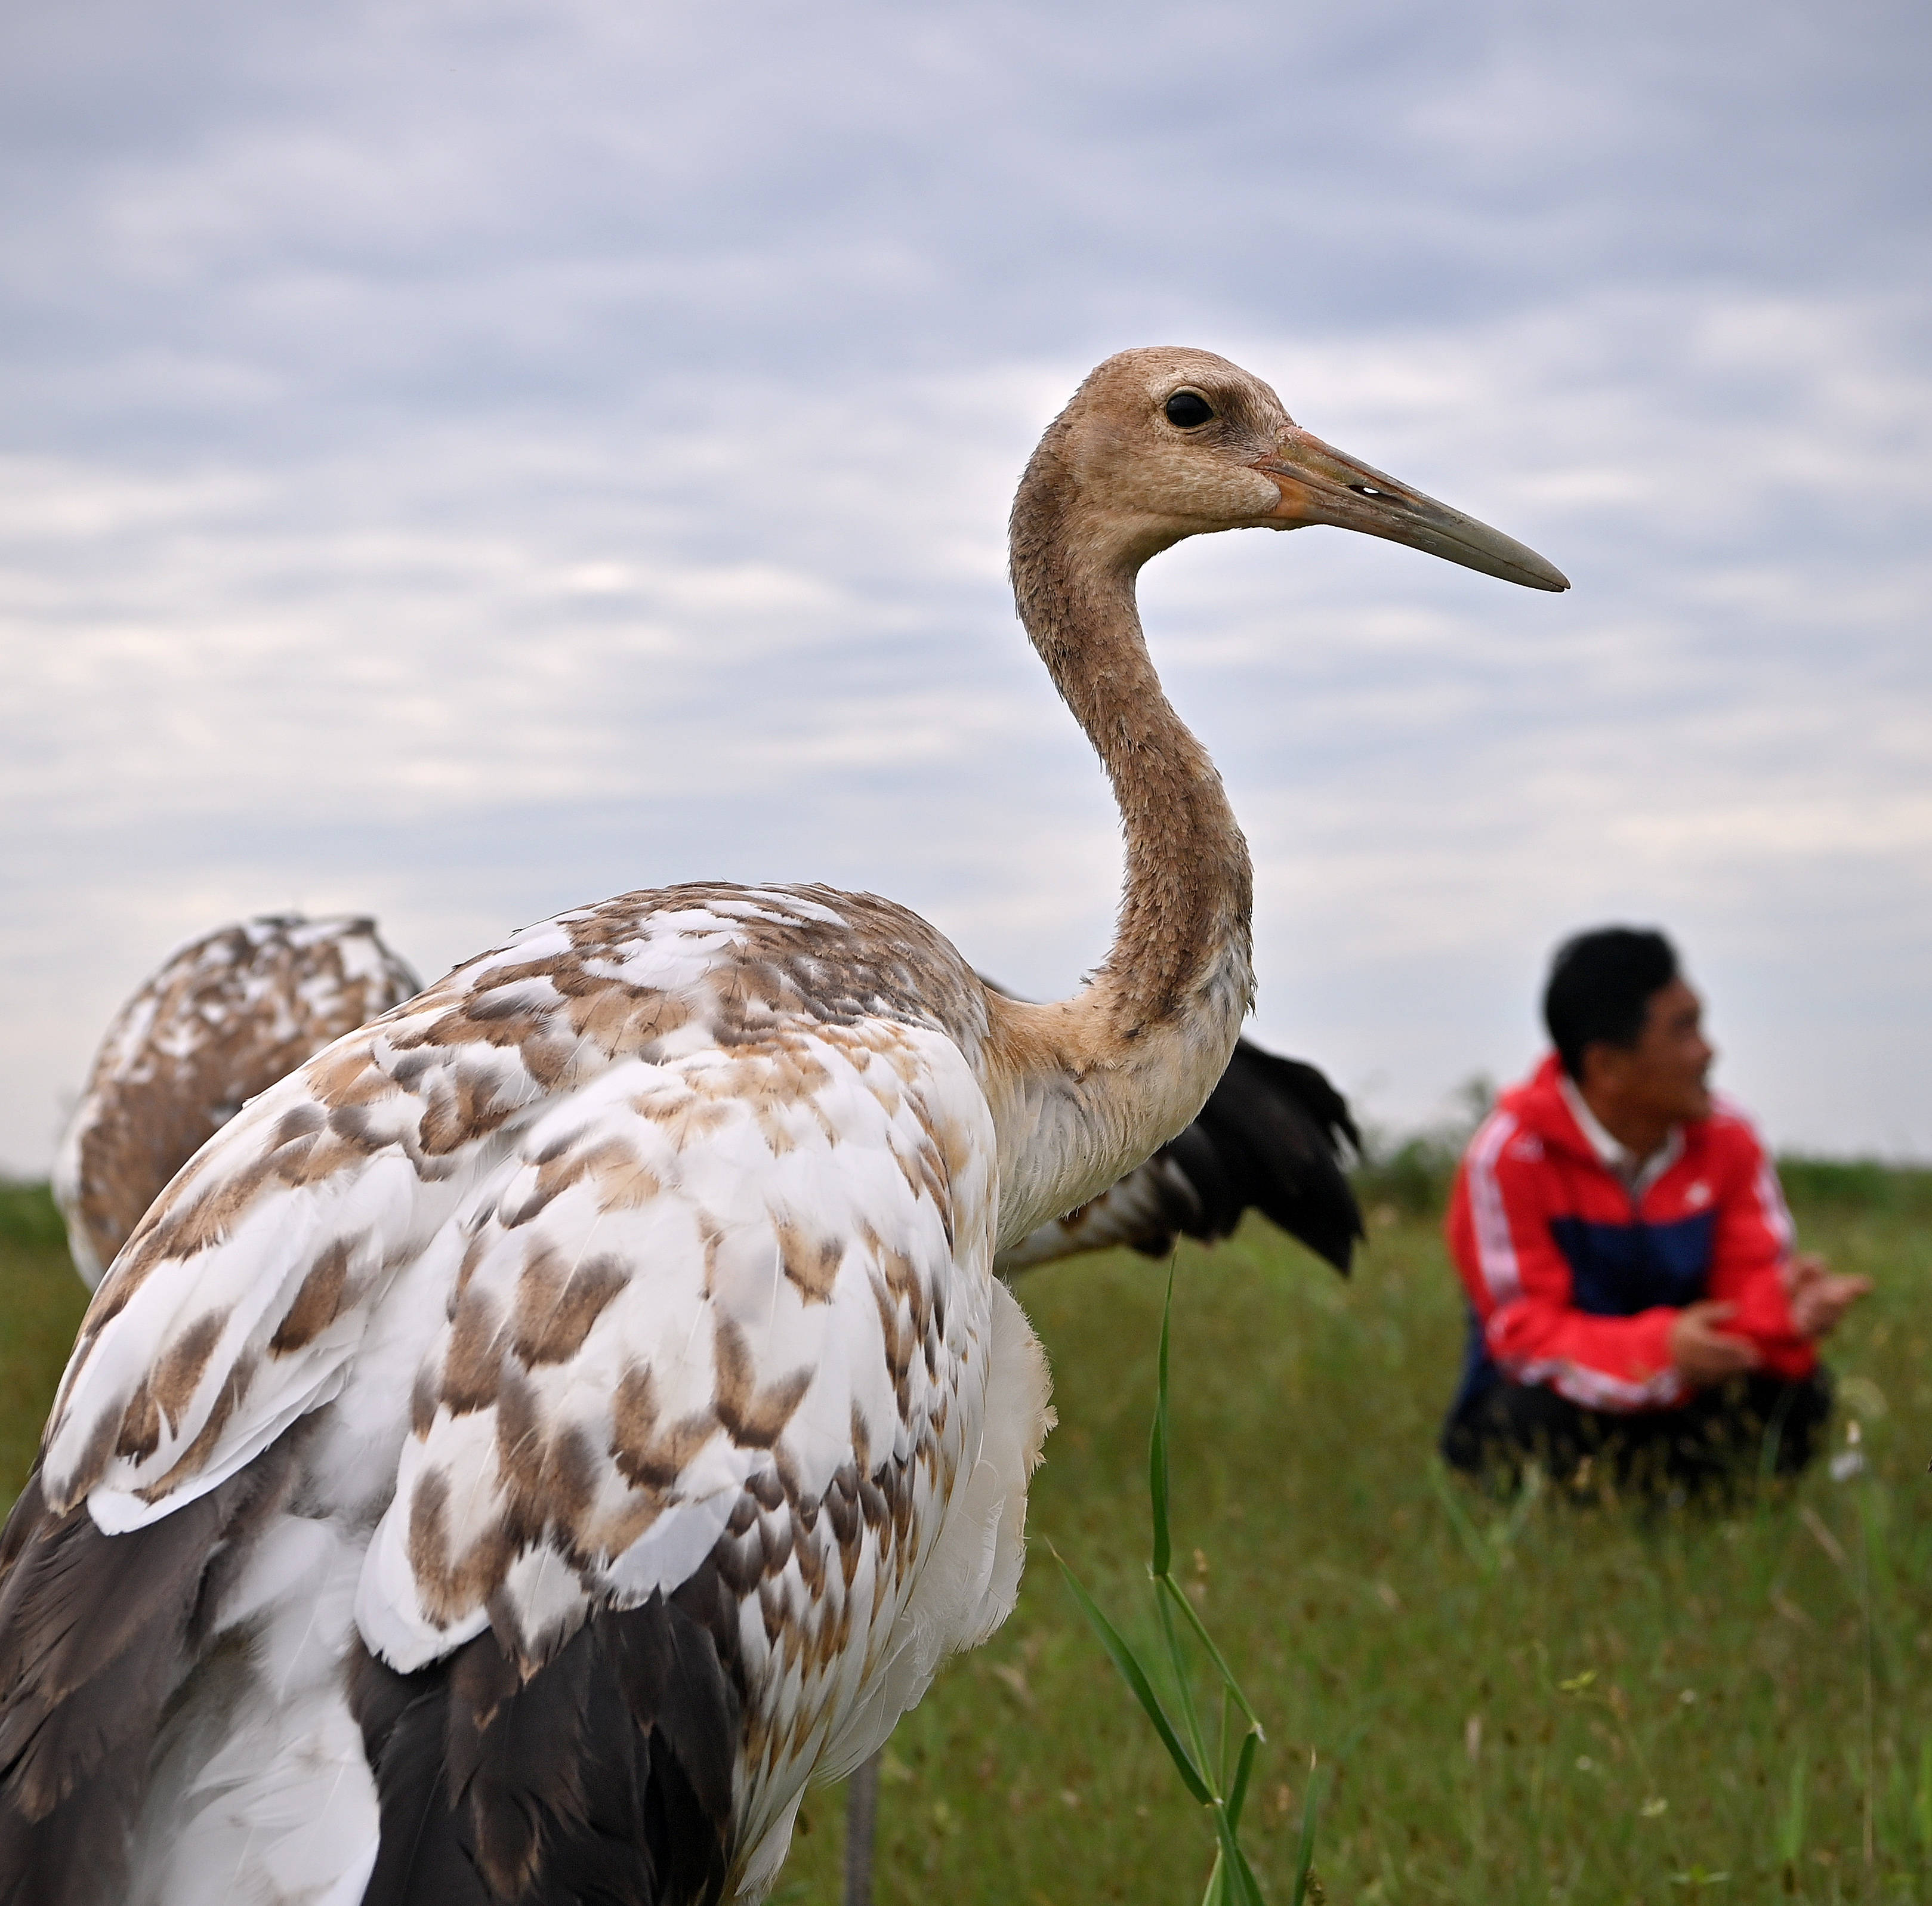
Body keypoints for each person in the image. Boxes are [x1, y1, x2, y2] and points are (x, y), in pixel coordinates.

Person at [1440, 926, 1869, 1496]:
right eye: (1683, 1029)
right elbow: (1524, 1335)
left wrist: (1783, 1313)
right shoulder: (1508, 1157)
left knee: (1798, 1396)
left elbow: (1745, 1286)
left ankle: (1704, 1514)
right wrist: (1662, 1352)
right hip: (1561, 1401)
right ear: (1608, 1067)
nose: (1709, 1051)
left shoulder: (1728, 1138)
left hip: (1688, 1388)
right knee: (1523, 1421)